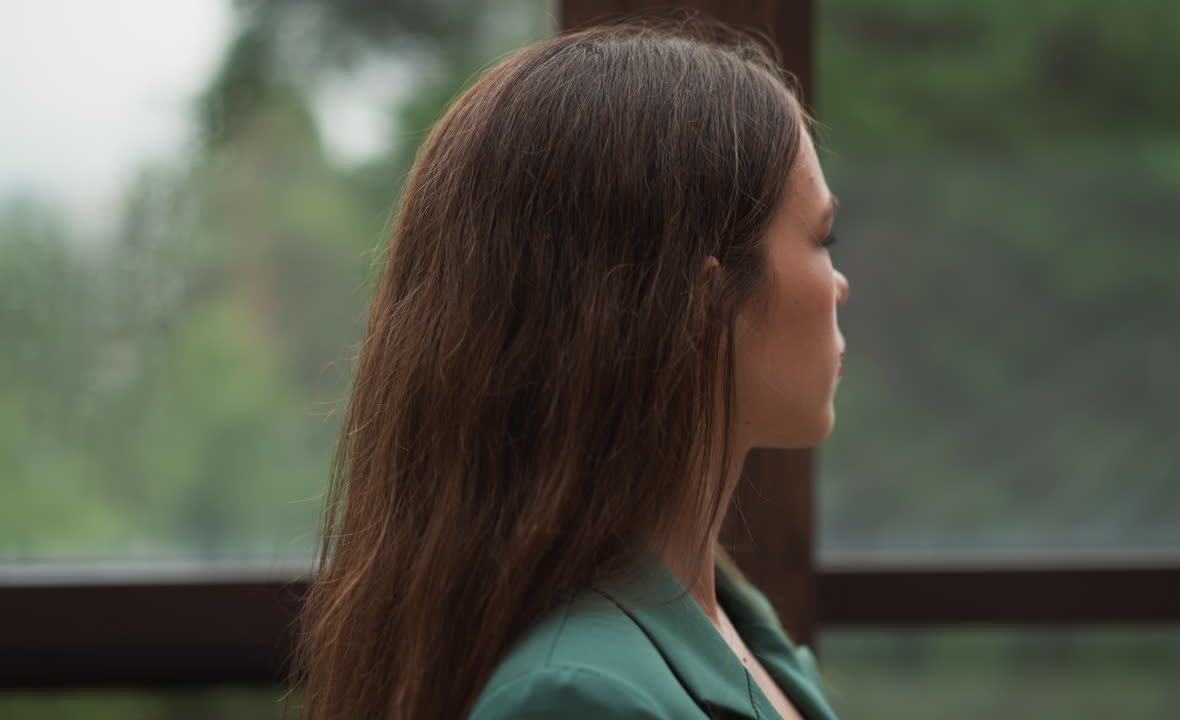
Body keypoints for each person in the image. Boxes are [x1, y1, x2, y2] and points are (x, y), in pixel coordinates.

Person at [293, 19, 848, 720]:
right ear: (708, 300)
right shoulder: (576, 696)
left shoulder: (730, 617)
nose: (840, 285)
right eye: (823, 237)